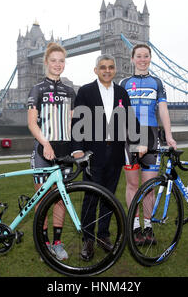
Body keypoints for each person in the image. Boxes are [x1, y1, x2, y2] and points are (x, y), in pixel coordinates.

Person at [71, 54, 146, 261]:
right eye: (102, 67)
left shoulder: (121, 92)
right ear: (96, 70)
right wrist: (77, 149)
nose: (107, 70)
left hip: (115, 153)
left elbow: (130, 119)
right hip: (92, 153)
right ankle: (87, 239)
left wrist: (139, 141)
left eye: (111, 67)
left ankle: (103, 236)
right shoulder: (85, 91)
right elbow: (78, 120)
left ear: (115, 70)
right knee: (91, 198)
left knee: (108, 197)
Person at [119, 43, 177, 246]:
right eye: (139, 56)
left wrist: (169, 136)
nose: (142, 59)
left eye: (146, 56)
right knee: (133, 185)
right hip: (130, 137)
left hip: (152, 137)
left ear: (149, 59)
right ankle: (135, 227)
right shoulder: (124, 82)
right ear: (132, 59)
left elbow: (163, 110)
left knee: (149, 187)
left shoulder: (157, 82)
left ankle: (149, 226)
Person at [27, 42, 76, 260]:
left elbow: (75, 124)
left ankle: (57, 243)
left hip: (65, 153)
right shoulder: (36, 89)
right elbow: (32, 123)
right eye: (54, 60)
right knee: (42, 199)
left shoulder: (70, 91)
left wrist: (77, 148)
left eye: (61, 61)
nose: (58, 65)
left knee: (61, 199)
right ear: (46, 62)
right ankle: (43, 243)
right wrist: (46, 144)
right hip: (43, 151)